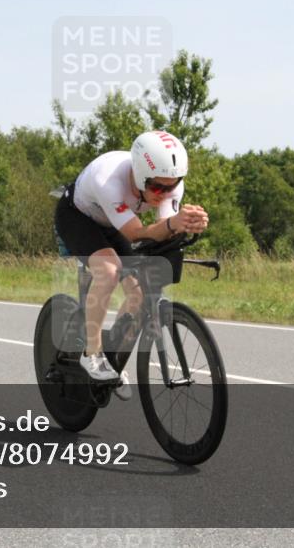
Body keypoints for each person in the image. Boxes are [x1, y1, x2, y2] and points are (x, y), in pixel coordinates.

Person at [53, 130, 209, 399]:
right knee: (110, 271)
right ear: (138, 175)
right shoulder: (109, 180)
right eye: (158, 188)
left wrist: (188, 225)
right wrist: (173, 224)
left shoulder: (167, 183)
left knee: (138, 292)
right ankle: (92, 354)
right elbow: (137, 233)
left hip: (115, 222)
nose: (164, 194)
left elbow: (164, 228)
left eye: (171, 187)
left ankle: (112, 357)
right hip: (79, 217)